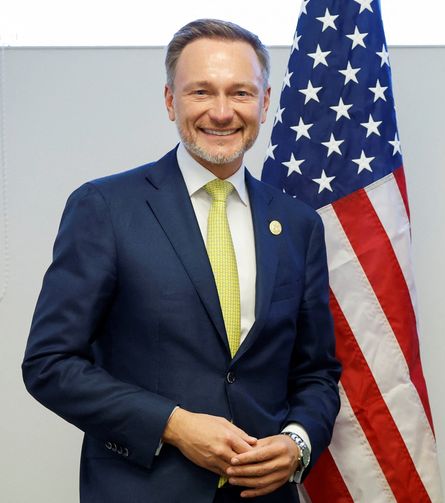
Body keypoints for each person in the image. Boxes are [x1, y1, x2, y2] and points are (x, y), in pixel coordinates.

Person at [22, 19, 341, 502]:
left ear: (265, 101)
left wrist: (298, 443)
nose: (221, 112)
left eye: (239, 93)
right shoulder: (106, 208)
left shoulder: (297, 225)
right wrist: (172, 424)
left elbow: (316, 372)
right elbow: (50, 363)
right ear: (171, 100)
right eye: (201, 92)